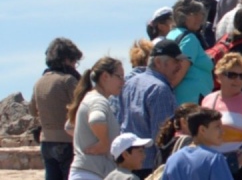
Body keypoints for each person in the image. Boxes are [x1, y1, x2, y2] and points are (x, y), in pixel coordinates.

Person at [120, 40, 186, 178]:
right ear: (158, 62)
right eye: (175, 62)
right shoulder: (160, 89)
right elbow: (163, 139)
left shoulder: (130, 83)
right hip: (151, 168)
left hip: (127, 165)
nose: (180, 66)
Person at [201, 54, 242, 180]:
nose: (238, 80)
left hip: (237, 170)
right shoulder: (207, 100)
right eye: (232, 75)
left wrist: (235, 164)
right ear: (219, 76)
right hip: (209, 165)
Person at [30, 37, 83, 180]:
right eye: (73, 61)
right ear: (66, 59)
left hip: (46, 141)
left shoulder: (39, 82)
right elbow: (82, 107)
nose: (74, 66)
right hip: (67, 141)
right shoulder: (68, 80)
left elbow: (32, 111)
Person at [67, 57, 124, 180]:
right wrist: (104, 143)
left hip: (86, 172)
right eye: (119, 77)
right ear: (105, 77)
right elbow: (96, 119)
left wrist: (86, 139)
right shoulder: (98, 100)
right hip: (91, 173)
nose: (122, 82)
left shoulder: (91, 98)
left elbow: (69, 127)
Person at [165, 0, 214, 105]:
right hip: (192, 102)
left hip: (182, 100)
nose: (200, 18)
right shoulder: (189, 38)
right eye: (195, 14)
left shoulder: (171, 34)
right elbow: (178, 73)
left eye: (201, 14)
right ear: (182, 15)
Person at [162, 109, 233, 180]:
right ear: (202, 130)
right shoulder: (214, 158)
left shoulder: (172, 159)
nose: (223, 132)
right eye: (217, 127)